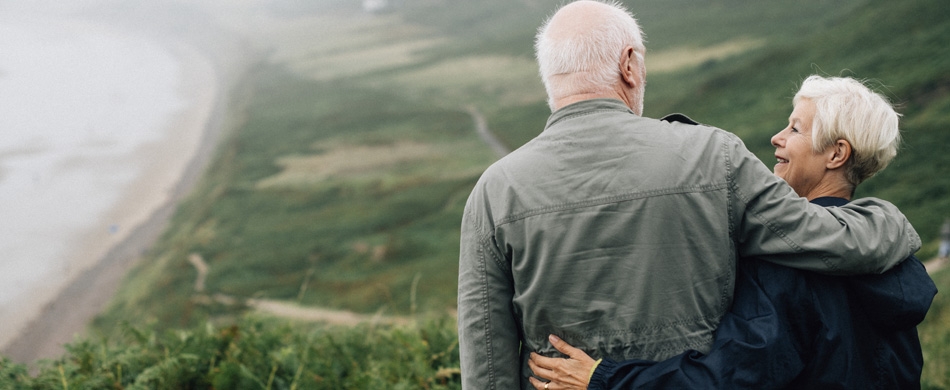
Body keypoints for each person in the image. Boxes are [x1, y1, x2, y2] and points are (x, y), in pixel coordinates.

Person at [456, 1, 920, 388]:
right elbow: (824, 240)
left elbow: (487, 365)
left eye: (795, 127)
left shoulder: (493, 192)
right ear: (629, 64)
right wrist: (890, 221)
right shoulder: (714, 156)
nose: (780, 138)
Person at [527, 75, 938, 389]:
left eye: (795, 129)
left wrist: (605, 378)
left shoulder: (788, 262)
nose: (777, 137)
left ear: (837, 154)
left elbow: (729, 378)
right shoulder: (894, 258)